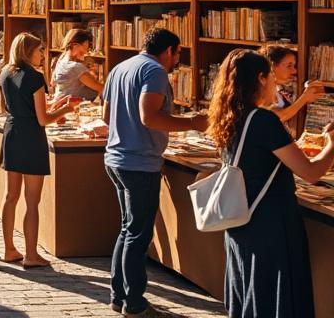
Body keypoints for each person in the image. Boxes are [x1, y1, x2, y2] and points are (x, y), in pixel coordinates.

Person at [207, 49, 334, 318]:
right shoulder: (263, 120)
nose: (276, 84)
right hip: (271, 221)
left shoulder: (230, 116)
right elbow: (310, 173)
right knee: (275, 294)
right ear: (261, 79)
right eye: (272, 78)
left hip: (242, 218)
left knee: (251, 289)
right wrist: (332, 145)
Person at [102, 28, 209, 317]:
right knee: (138, 234)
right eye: (177, 55)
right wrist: (193, 124)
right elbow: (149, 117)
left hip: (116, 158)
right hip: (139, 163)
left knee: (128, 230)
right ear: (168, 51)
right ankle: (134, 304)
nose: (176, 62)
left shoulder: (120, 67)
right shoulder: (155, 71)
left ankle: (118, 296)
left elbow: (105, 115)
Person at [0, 33, 74, 268]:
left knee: (11, 195)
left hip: (12, 133)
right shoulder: (35, 77)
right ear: (28, 51)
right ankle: (31, 253)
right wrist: (65, 110)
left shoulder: (5, 73)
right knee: (32, 200)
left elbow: (4, 108)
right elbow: (42, 119)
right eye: (40, 50)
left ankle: (9, 248)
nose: (43, 54)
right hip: (31, 138)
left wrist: (51, 107)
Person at [260, 44, 323, 126]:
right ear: (272, 66)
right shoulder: (259, 93)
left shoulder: (279, 91)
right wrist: (304, 98)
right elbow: (279, 116)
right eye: (289, 66)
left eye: (294, 66)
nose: (294, 71)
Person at [52, 29, 104, 101]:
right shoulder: (75, 67)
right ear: (74, 45)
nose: (85, 52)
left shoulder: (60, 60)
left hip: (60, 101)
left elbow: (53, 83)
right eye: (81, 52)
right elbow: (102, 88)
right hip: (75, 107)